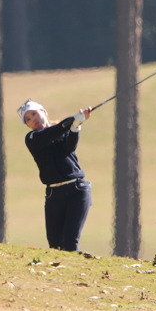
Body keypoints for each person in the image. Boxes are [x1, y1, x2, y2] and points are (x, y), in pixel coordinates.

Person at [18, 99, 93, 253]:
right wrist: (72, 120)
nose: (33, 119)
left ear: (44, 112)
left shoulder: (61, 131)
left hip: (77, 191)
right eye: (28, 119)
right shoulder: (32, 138)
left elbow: (69, 147)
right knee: (55, 246)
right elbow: (51, 133)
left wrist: (76, 126)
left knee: (70, 243)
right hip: (54, 195)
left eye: (34, 113)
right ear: (28, 126)